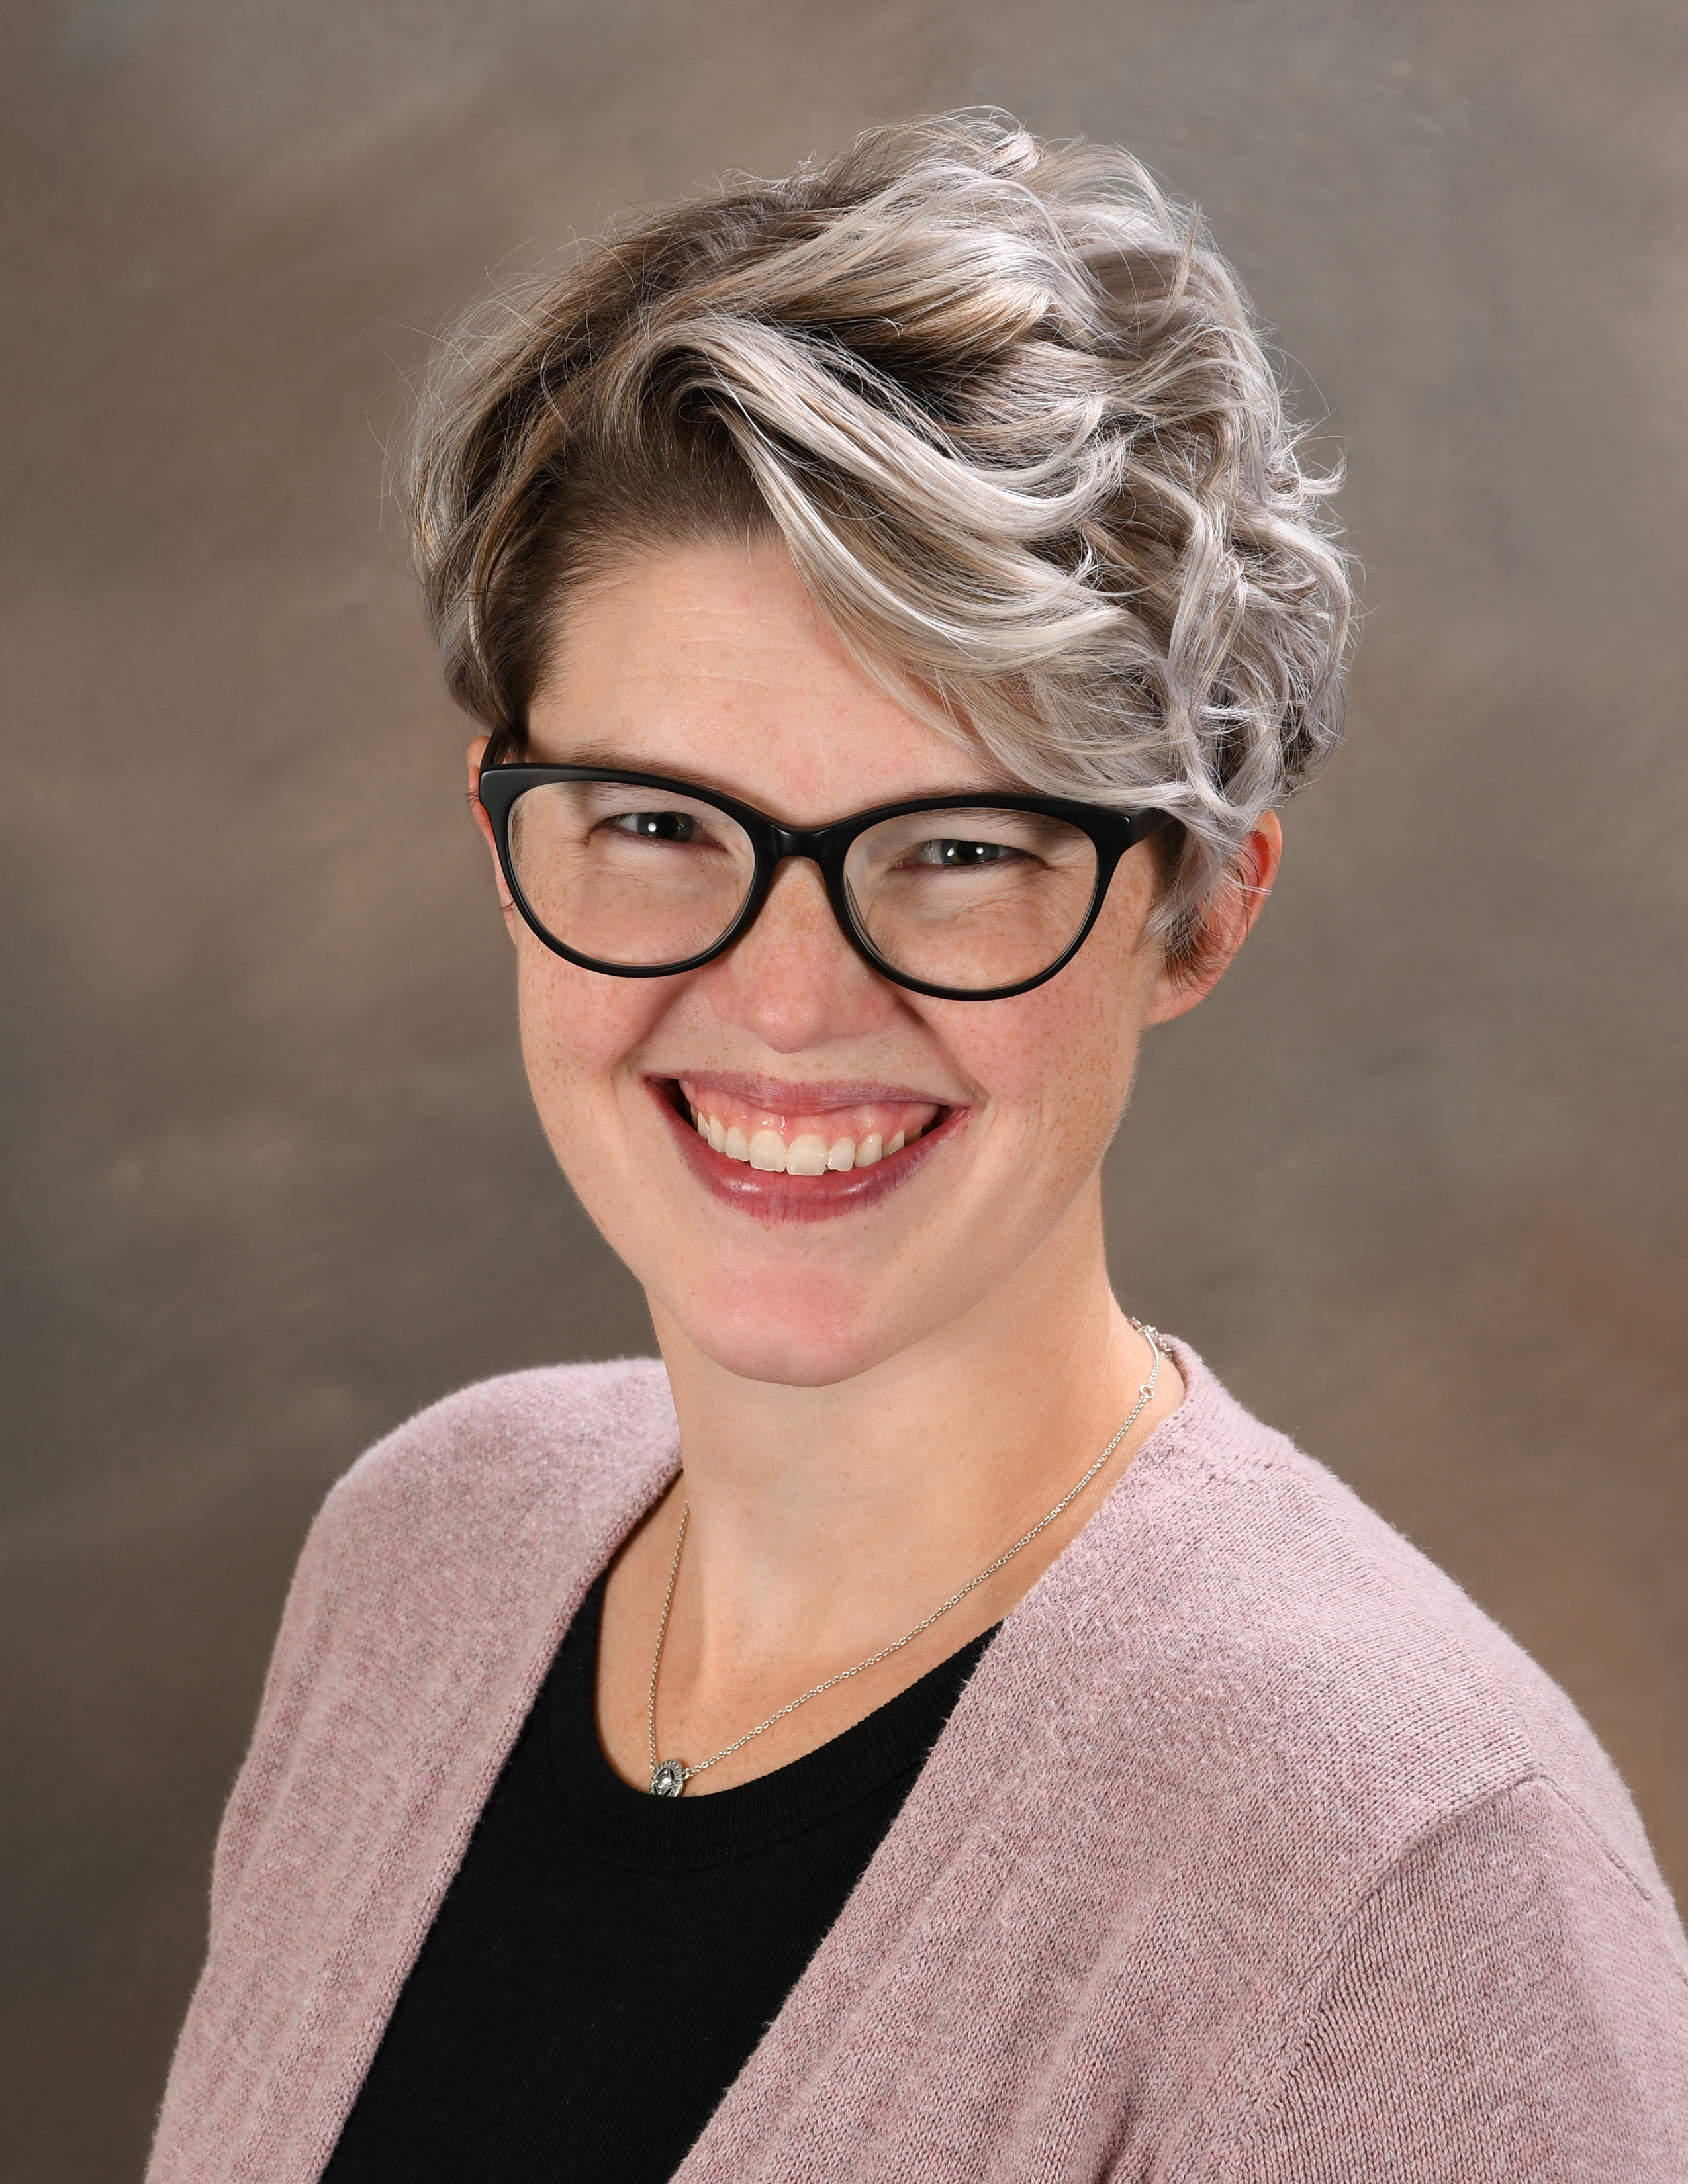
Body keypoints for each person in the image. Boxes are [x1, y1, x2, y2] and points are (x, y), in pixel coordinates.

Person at [147, 115, 1687, 2182]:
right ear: (507, 844)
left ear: (1200, 907)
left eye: (956, 850)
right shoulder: (421, 1559)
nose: (789, 1001)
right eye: (662, 825)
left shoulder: (1416, 1893)